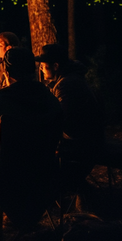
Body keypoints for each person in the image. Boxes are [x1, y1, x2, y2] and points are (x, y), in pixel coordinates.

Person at [0, 47, 63, 229]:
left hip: (6, 182)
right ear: (33, 70)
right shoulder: (50, 100)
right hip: (45, 179)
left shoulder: (1, 101)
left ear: (6, 72)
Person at [36, 43, 104, 188]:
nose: (40, 68)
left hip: (80, 147)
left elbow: (61, 120)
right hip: (86, 141)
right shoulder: (68, 80)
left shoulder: (67, 85)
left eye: (43, 64)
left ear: (55, 66)